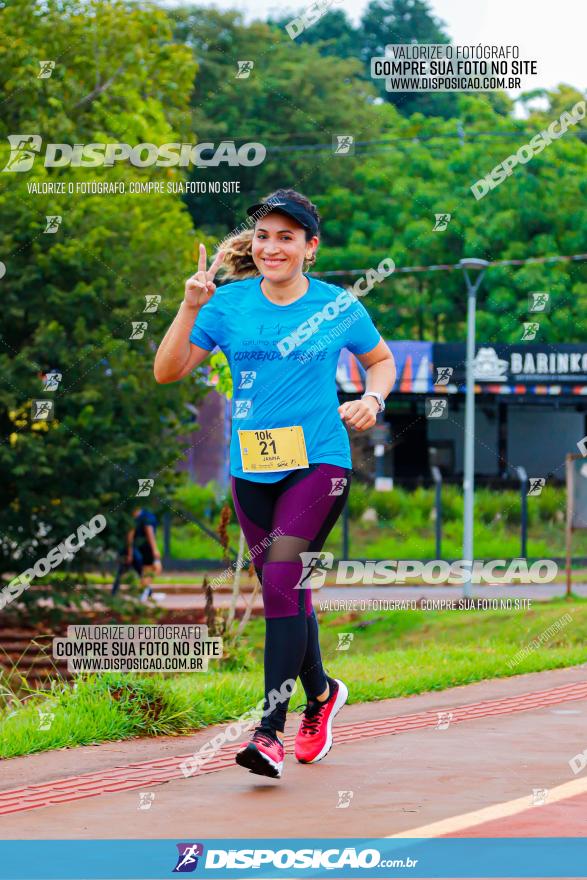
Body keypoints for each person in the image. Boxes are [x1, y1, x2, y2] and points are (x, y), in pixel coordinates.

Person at [154, 189, 396, 779]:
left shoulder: (338, 306)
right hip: (250, 469)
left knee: (284, 583)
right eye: (264, 235)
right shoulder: (227, 304)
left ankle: (268, 732)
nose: (272, 247)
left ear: (310, 248)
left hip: (320, 463)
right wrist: (188, 306)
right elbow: (167, 371)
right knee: (288, 594)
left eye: (287, 237)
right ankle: (323, 692)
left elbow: (381, 361)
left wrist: (372, 397)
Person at [111, 506, 162, 602]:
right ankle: (145, 592)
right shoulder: (139, 517)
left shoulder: (141, 516)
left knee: (135, 570)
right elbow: (147, 533)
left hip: (137, 549)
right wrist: (155, 549)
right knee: (143, 570)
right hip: (136, 549)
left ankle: (146, 592)